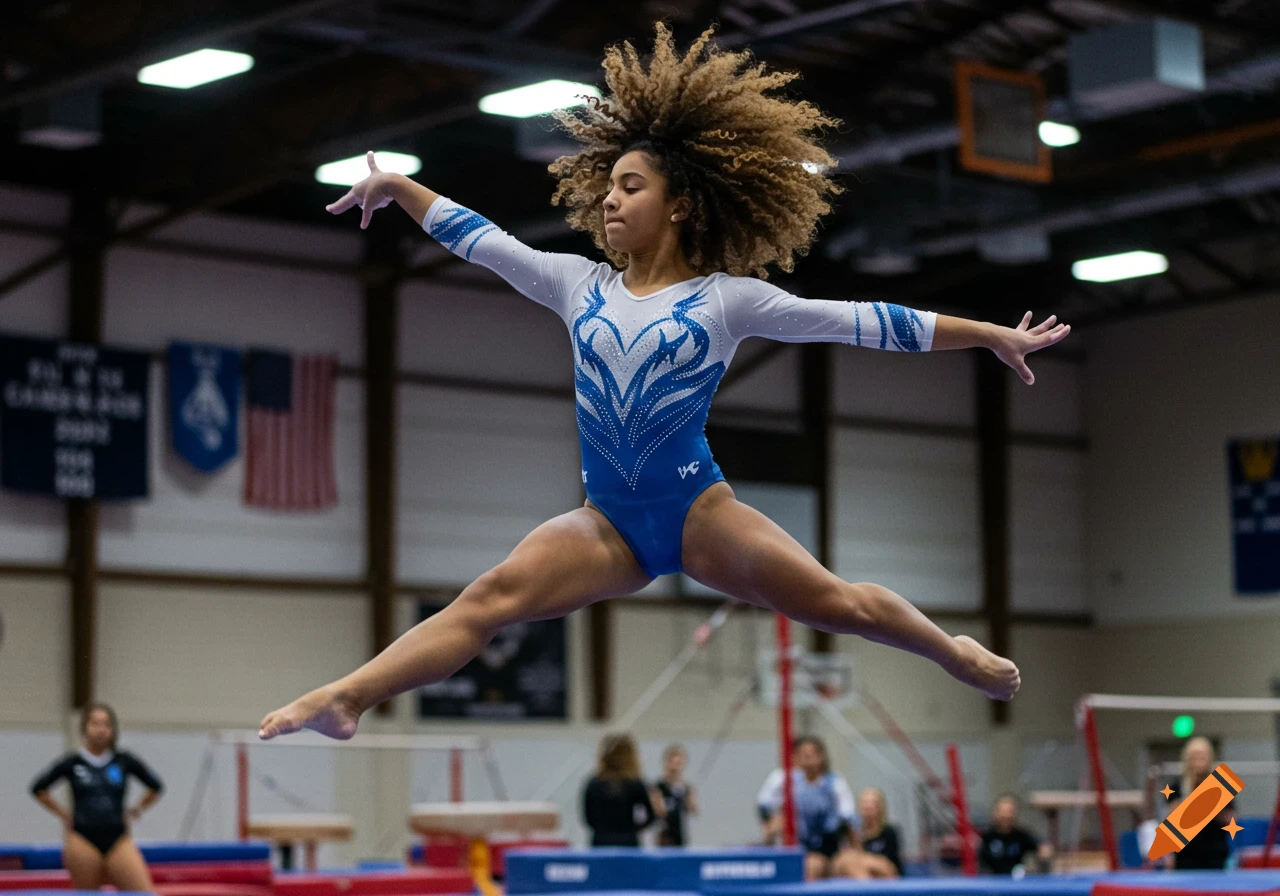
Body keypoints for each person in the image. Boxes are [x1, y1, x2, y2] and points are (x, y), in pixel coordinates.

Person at [258, 22, 1068, 744]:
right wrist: (399, 187)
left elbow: (862, 319)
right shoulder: (577, 284)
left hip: (696, 513)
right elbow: (483, 240)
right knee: (492, 595)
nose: (609, 200)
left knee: (838, 605)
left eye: (630, 187)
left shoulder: (725, 300)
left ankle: (949, 650)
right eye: (606, 188)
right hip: (606, 521)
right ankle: (348, 697)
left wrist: (988, 334)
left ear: (680, 205)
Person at [29, 703, 163, 892]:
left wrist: (137, 809)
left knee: (143, 892)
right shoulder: (73, 762)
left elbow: (156, 786)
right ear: (84, 728)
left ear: (113, 730)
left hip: (117, 838)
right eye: (95, 724)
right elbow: (38, 788)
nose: (101, 730)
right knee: (87, 893)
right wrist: (64, 814)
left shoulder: (123, 760)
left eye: (106, 725)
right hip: (83, 838)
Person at [757, 736, 858, 880]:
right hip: (802, 848)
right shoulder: (787, 782)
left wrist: (855, 851)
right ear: (797, 758)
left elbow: (848, 820)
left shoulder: (835, 783)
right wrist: (772, 829)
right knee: (812, 866)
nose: (807, 761)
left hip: (830, 846)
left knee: (867, 867)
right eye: (802, 756)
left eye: (810, 756)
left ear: (821, 757)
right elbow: (765, 807)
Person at [582, 733, 664, 847]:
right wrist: (636, 828)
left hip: (601, 841)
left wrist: (603, 829)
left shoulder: (593, 783)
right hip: (628, 841)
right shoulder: (635, 783)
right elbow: (651, 814)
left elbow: (588, 818)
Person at [1165, 737, 1229, 871]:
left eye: (1202, 756)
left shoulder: (1221, 786)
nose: (1198, 760)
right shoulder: (1177, 786)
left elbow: (1230, 819)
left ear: (1210, 758)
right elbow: (1170, 820)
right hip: (1186, 855)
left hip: (1214, 854)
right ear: (1187, 759)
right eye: (1194, 756)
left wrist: (1210, 804)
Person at [979, 794, 1052, 876]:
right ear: (995, 812)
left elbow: (1041, 846)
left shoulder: (1021, 835)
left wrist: (1044, 850)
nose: (1006, 816)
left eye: (1009, 812)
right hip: (989, 882)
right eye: (1002, 811)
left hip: (1015, 883)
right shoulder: (985, 835)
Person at [839, 786, 902, 878]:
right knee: (847, 861)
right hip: (861, 875)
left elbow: (890, 866)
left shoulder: (889, 832)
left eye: (872, 804)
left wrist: (866, 860)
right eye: (865, 804)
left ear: (880, 807)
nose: (868, 807)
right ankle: (866, 888)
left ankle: (868, 888)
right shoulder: (854, 833)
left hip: (884, 876)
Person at [654, 744, 697, 847]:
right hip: (664, 837)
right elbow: (658, 812)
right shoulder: (658, 787)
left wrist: (690, 800)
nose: (674, 767)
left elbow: (694, 810)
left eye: (678, 763)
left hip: (681, 836)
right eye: (671, 763)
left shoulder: (687, 788)